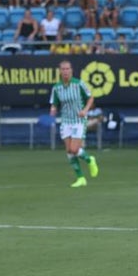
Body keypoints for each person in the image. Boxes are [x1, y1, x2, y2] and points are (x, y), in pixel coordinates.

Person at [49, 60, 100, 188]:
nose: (65, 71)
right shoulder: (57, 88)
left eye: (67, 69)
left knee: (74, 149)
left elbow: (90, 97)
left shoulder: (79, 84)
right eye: (63, 69)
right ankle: (80, 178)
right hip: (65, 121)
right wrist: (53, 109)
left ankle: (89, 159)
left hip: (78, 120)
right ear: (60, 71)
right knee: (69, 151)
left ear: (71, 70)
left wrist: (85, 110)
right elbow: (54, 103)